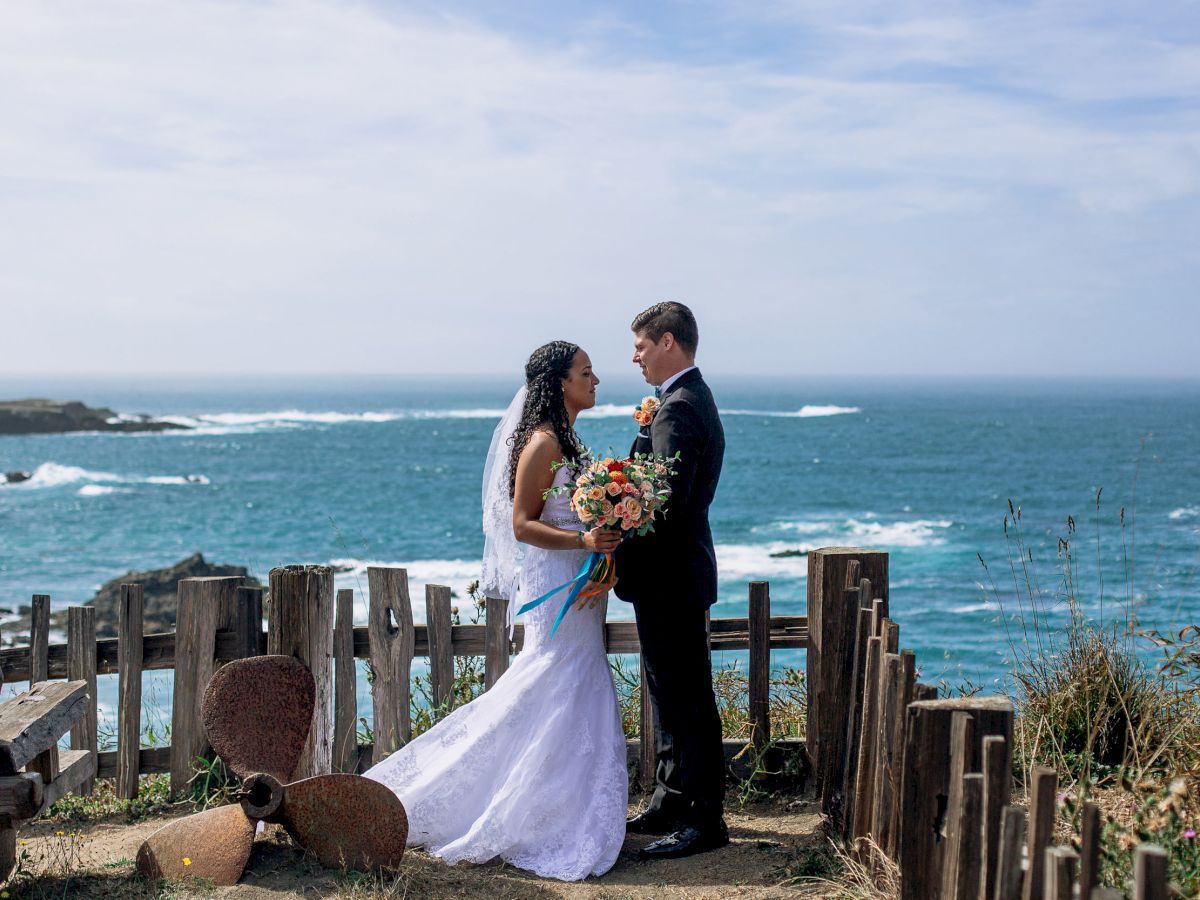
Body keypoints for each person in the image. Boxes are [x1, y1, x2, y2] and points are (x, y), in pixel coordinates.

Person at [365, 341, 627, 882]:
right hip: (555, 579)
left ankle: (558, 806)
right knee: (550, 677)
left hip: (577, 577)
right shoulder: (543, 442)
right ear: (559, 383)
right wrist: (585, 547)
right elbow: (521, 524)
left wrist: (603, 548)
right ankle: (457, 797)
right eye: (586, 371)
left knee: (574, 680)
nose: (596, 379)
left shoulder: (571, 442)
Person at [614, 302, 729, 860]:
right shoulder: (680, 400)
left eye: (640, 346)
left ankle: (706, 820)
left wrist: (618, 536)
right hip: (675, 575)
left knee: (687, 699)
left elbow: (666, 504)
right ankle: (670, 800)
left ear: (667, 342)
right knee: (668, 691)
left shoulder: (679, 408)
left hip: (671, 576)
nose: (634, 357)